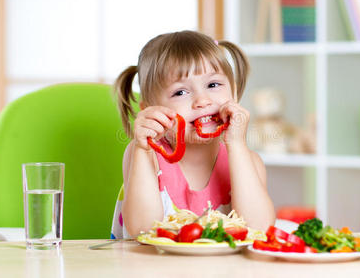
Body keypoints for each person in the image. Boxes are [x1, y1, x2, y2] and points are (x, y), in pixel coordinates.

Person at [111, 30, 275, 238]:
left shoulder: (247, 160)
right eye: (180, 92)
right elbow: (142, 231)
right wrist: (143, 148)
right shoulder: (146, 155)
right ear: (150, 109)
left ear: (233, 93)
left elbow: (259, 229)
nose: (202, 101)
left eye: (213, 85)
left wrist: (237, 145)